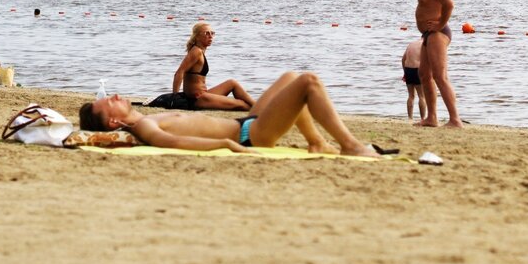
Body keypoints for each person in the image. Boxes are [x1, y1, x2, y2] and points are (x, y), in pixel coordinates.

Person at [80, 71, 378, 157]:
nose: (116, 95)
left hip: (244, 125)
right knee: (307, 82)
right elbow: (173, 143)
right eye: (111, 102)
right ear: (113, 122)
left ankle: (315, 141)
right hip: (250, 137)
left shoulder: (146, 118)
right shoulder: (144, 127)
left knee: (290, 77)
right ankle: (350, 146)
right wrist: (224, 145)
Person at [405, 0, 462, 128]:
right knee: (424, 74)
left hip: (438, 33)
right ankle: (432, 118)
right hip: (428, 34)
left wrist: (438, 24)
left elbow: (449, 4)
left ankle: (455, 120)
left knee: (440, 76)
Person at [172, 22, 254, 110]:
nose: (210, 36)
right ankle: (260, 108)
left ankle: (258, 106)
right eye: (206, 33)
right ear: (197, 36)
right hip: (197, 99)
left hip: (204, 94)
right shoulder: (196, 51)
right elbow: (179, 72)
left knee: (232, 83)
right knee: (241, 104)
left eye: (212, 33)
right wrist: (175, 98)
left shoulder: (199, 51)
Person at [401, 38, 426, 123]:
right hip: (417, 70)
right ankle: (423, 118)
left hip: (408, 69)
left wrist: (405, 72)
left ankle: (410, 118)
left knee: (411, 96)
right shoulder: (425, 44)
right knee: (422, 96)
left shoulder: (411, 43)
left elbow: (403, 59)